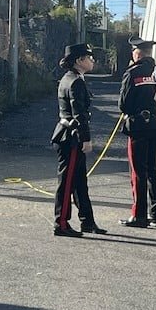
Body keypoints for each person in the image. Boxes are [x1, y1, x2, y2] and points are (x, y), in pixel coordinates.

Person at [51, 43, 107, 237]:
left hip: (70, 134)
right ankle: (61, 223)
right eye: (88, 57)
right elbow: (79, 114)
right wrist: (86, 139)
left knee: (80, 181)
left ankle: (87, 221)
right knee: (67, 182)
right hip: (70, 136)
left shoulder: (73, 78)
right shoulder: (75, 81)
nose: (92, 61)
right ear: (78, 61)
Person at [118, 36, 156, 228]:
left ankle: (139, 215)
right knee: (153, 170)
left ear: (137, 53)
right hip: (155, 124)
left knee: (138, 172)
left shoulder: (133, 73)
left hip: (137, 126)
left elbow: (124, 104)